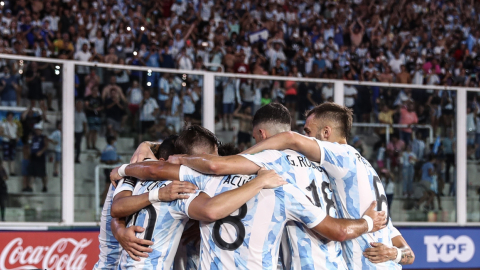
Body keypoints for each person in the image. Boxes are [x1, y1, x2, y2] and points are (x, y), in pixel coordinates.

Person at [110, 127, 387, 270]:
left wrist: (125, 166)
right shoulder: (282, 187)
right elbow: (338, 231)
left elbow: (156, 167)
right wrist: (367, 222)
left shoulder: (201, 179)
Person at [100, 136, 121, 205]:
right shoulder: (109, 149)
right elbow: (109, 161)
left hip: (109, 169)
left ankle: (103, 201)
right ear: (112, 141)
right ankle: (102, 202)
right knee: (108, 186)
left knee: (109, 186)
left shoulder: (108, 148)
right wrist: (117, 160)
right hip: (109, 169)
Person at [29, 122, 48, 192]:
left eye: (39, 130)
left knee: (43, 173)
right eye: (36, 130)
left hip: (40, 156)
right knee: (32, 172)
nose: (37, 131)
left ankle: (45, 186)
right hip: (33, 155)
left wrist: (41, 152)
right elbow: (29, 144)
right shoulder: (33, 137)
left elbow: (46, 145)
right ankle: (30, 187)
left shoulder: (43, 137)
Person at [84, 86, 103, 151]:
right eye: (94, 90)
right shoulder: (88, 98)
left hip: (98, 116)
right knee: (91, 130)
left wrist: (99, 109)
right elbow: (86, 106)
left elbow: (102, 106)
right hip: (90, 115)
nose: (95, 91)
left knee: (95, 131)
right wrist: (93, 109)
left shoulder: (99, 99)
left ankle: (94, 145)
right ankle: (88, 145)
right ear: (91, 90)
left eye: (96, 90)